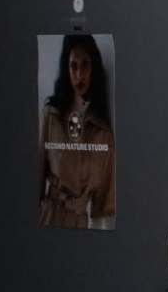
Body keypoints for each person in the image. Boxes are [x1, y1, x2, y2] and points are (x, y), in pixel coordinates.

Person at [38, 30, 116, 229]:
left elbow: (105, 204)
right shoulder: (51, 116)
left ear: (93, 69)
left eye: (85, 65)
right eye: (73, 66)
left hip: (82, 224)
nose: (79, 75)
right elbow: (36, 173)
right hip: (50, 216)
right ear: (66, 69)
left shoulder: (102, 132)